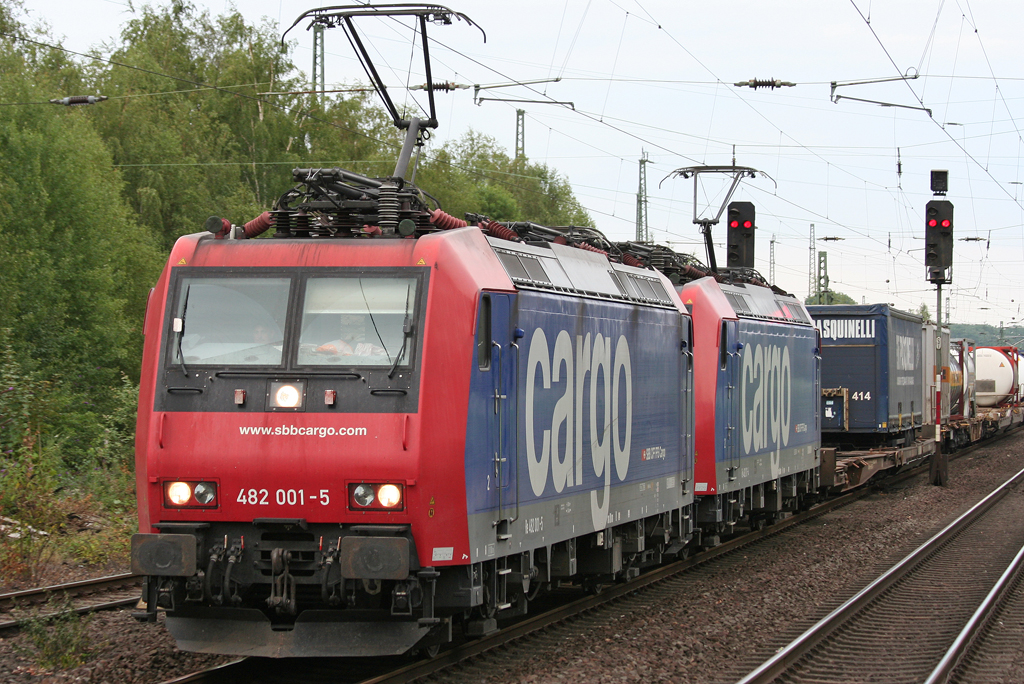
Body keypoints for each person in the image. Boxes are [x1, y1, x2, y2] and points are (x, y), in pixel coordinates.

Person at [316, 313, 388, 357]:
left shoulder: (367, 348)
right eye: (348, 327)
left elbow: (386, 357)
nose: (351, 334)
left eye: (356, 328)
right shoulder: (334, 346)